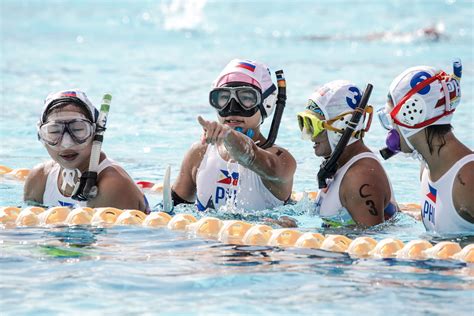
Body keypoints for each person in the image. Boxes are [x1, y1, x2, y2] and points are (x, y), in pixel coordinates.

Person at [172, 59, 296, 213]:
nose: (232, 108)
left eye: (246, 98)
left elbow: (250, 155)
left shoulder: (282, 160)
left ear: (266, 103)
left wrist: (229, 135)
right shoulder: (200, 153)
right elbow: (170, 210)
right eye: (223, 97)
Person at [377, 60, 473, 234]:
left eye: (391, 119)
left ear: (412, 114)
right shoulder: (427, 168)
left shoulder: (467, 179)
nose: (390, 129)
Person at [24, 89, 150, 213]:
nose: (66, 144)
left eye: (78, 130)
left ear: (96, 133)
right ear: (41, 136)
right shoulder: (39, 178)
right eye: (54, 132)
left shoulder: (112, 185)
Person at [296, 80, 398, 227]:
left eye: (313, 125)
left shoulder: (360, 178)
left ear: (341, 125)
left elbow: (368, 244)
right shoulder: (340, 165)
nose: (311, 136)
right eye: (304, 123)